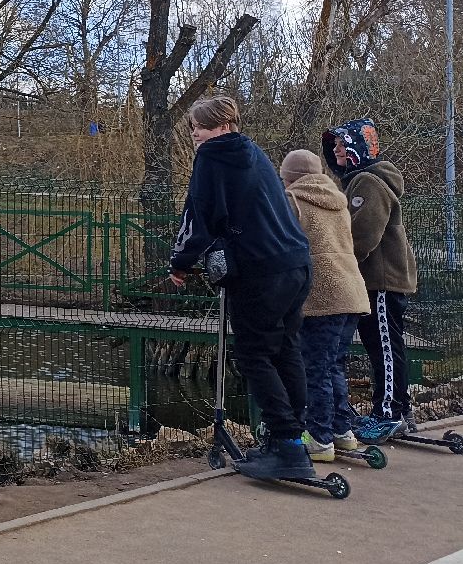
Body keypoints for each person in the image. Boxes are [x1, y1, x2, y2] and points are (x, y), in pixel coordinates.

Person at [169, 96, 314, 481]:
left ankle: (285, 446)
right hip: (296, 262)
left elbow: (198, 213)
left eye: (198, 126)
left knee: (253, 355)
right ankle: (293, 438)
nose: (195, 134)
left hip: (259, 271)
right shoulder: (255, 152)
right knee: (285, 349)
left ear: (220, 126)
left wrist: (180, 263)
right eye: (193, 128)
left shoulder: (212, 158)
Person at [323, 118, 419, 442]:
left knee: (385, 348)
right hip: (374, 279)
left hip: (380, 279)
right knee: (384, 346)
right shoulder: (358, 181)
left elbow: (361, 235)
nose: (335, 149)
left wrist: (337, 264)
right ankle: (400, 410)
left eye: (340, 143)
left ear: (356, 146)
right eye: (333, 144)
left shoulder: (369, 183)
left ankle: (389, 412)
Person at [279, 149, 370, 462]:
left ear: (288, 176)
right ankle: (342, 430)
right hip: (352, 290)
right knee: (334, 365)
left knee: (314, 367)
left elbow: (285, 245)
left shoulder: (292, 200)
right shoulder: (338, 199)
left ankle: (319, 437)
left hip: (321, 294)